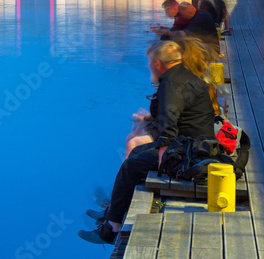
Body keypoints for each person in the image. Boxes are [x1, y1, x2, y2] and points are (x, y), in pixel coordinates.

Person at [79, 40, 216, 245]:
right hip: (193, 144)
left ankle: (111, 230)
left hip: (188, 151)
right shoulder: (181, 76)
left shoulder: (171, 84)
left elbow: (169, 120)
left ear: (158, 63)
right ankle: (111, 213)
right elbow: (169, 113)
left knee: (130, 167)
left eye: (150, 62)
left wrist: (163, 154)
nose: (149, 66)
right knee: (135, 154)